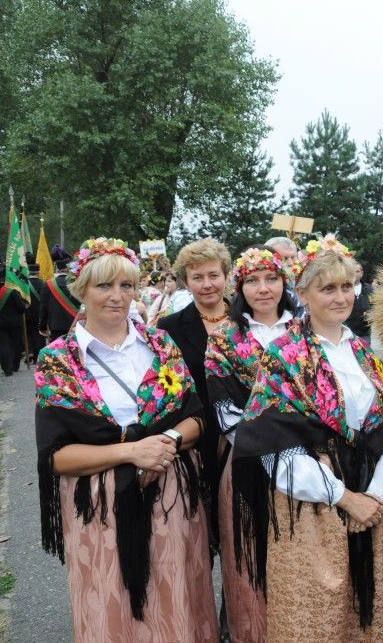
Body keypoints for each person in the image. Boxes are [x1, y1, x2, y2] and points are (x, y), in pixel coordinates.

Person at [34, 237, 216, 642]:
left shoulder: (160, 345)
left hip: (170, 493)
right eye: (104, 286)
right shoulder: (58, 361)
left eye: (126, 286)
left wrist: (166, 439)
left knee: (176, 594)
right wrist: (132, 451)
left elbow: (196, 419)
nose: (117, 297)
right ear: (81, 290)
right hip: (99, 504)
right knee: (111, 597)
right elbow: (56, 457)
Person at [231, 238, 383, 643]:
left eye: (347, 286)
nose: (341, 297)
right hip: (313, 509)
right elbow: (275, 448)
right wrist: (346, 499)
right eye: (328, 288)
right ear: (303, 294)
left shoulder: (365, 352)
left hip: (373, 506)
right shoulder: (284, 356)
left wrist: (375, 498)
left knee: (374, 620)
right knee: (316, 619)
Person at [205, 247, 296, 643]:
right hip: (245, 458)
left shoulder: (305, 330)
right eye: (253, 281)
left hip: (309, 458)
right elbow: (224, 410)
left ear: (284, 283)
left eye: (271, 279)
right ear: (240, 286)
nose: (263, 289)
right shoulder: (225, 337)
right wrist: (269, 451)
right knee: (250, 557)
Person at [158, 237, 231, 551]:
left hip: (247, 438)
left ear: (225, 275)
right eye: (197, 277)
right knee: (203, 533)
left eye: (213, 275)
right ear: (185, 282)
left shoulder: (248, 318)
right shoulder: (169, 327)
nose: (207, 284)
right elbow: (167, 387)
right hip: (197, 438)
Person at [39, 246, 80, 342]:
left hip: (55, 326)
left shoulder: (48, 284)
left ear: (57, 267)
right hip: (75, 323)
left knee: (59, 353)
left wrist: (43, 326)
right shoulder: (77, 282)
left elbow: (43, 308)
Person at [0, 264, 27, 376]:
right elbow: (21, 308)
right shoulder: (11, 291)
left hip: (0, 324)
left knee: (3, 345)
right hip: (15, 323)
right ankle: (15, 366)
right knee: (16, 344)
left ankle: (7, 368)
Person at [345, 260, 373, 343]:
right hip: (347, 331)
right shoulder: (343, 289)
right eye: (352, 271)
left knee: (365, 355)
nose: (354, 273)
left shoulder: (369, 289)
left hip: (365, 332)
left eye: (357, 271)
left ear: (361, 273)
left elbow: (375, 306)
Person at [26, 261, 47, 362]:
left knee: (29, 335)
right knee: (40, 336)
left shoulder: (24, 284)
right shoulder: (43, 284)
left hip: (26, 314)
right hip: (39, 314)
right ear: (38, 272)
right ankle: (38, 356)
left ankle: (30, 352)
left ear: (28, 272)